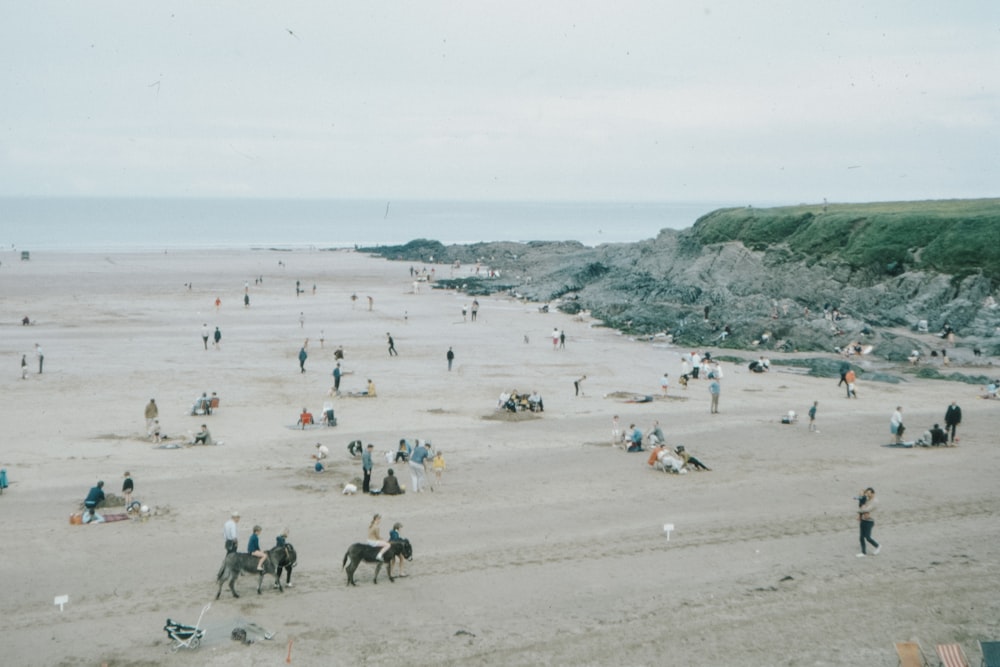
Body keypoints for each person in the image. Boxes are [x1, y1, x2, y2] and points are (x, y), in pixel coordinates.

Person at [856, 488, 881, 557]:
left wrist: (862, 508)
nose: (868, 494)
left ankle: (878, 546)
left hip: (869, 521)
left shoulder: (875, 501)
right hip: (863, 519)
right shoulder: (867, 500)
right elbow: (861, 507)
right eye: (867, 493)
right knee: (861, 537)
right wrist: (860, 514)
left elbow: (866, 509)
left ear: (873, 493)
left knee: (867, 537)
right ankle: (863, 552)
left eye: (869, 493)